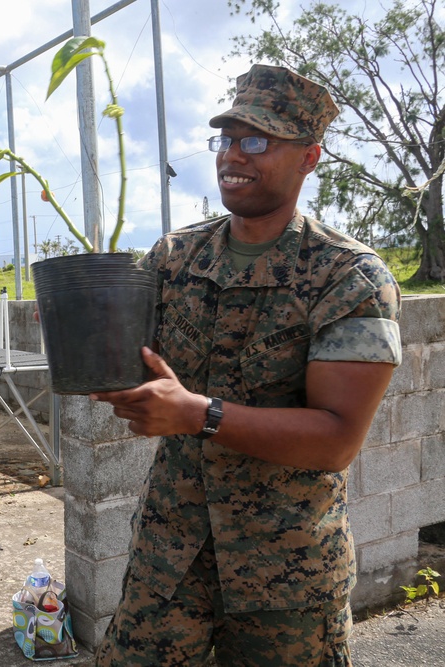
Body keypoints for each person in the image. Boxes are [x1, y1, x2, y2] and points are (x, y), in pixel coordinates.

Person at [91, 65, 402, 667]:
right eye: (227, 139)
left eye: (257, 141)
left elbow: (336, 440)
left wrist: (196, 415)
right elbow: (130, 365)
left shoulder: (348, 278)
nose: (235, 155)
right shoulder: (174, 258)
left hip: (285, 572)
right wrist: (90, 347)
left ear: (309, 158)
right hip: (169, 553)